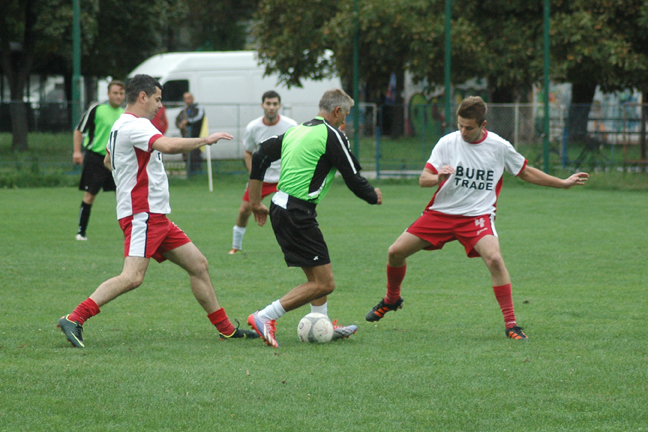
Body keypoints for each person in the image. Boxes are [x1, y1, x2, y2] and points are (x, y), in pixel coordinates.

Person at [364, 96, 589, 340]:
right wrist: (437, 177)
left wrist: (563, 183)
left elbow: (525, 172)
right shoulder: (448, 142)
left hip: (477, 216)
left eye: (468, 127)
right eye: (459, 124)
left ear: (483, 124)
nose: (462, 131)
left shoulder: (499, 146)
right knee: (395, 252)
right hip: (441, 213)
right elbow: (423, 179)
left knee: (494, 259)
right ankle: (392, 299)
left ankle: (512, 325)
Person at [58, 74, 258, 348]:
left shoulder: (120, 126)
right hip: (143, 215)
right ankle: (75, 317)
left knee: (198, 265)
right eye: (157, 99)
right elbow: (169, 145)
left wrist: (129, 177)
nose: (160, 105)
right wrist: (205, 140)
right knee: (132, 277)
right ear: (142, 97)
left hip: (156, 216)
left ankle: (226, 329)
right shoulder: (136, 125)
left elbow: (108, 160)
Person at [246, 88, 383, 348]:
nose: (346, 122)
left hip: (283, 207)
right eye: (346, 115)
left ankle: (322, 322)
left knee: (316, 278)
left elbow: (261, 153)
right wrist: (372, 195)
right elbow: (352, 176)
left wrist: (255, 202)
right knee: (325, 283)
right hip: (296, 212)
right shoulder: (332, 134)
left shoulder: (298, 130)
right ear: (337, 111)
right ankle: (265, 316)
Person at [229, 90, 297, 255]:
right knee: (244, 210)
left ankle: (296, 247)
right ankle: (236, 247)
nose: (271, 107)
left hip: (284, 178)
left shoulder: (291, 126)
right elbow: (248, 152)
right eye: (268, 104)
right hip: (262, 179)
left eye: (275, 104)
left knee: (292, 212)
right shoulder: (253, 127)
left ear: (279, 106)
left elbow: (297, 151)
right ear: (262, 105)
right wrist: (255, 175)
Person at [73, 80, 125, 241]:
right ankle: (81, 232)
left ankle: (129, 233)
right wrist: (76, 152)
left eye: (121, 93)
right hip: (95, 158)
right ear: (108, 94)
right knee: (90, 195)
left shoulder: (125, 114)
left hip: (115, 161)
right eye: (115, 93)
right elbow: (79, 130)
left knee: (123, 196)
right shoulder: (97, 109)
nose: (118, 96)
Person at [178, 92, 205, 173]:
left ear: (192, 98)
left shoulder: (198, 108)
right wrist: (180, 124)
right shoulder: (183, 110)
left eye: (189, 98)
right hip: (185, 136)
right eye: (185, 99)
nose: (187, 100)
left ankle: (196, 170)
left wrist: (188, 122)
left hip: (195, 135)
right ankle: (188, 170)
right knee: (185, 153)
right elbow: (178, 120)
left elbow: (199, 118)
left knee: (195, 153)